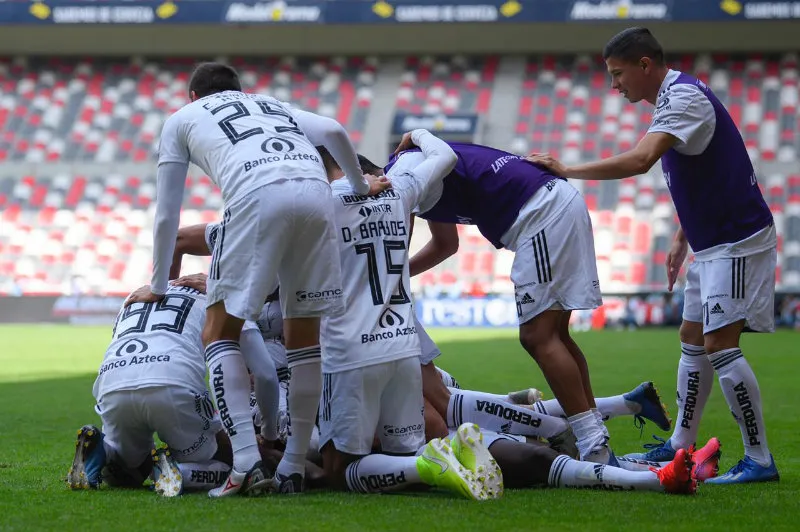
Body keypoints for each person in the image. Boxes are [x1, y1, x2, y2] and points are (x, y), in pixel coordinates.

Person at [125, 62, 390, 496]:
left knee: (219, 332)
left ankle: (246, 462)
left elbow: (167, 214)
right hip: (315, 195)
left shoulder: (182, 118)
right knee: (304, 339)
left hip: (255, 195)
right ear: (239, 89)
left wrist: (158, 286)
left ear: (193, 96)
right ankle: (292, 466)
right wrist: (359, 186)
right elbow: (333, 130)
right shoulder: (268, 103)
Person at [529, 27, 778, 484]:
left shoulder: (682, 98)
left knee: (720, 345)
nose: (614, 85)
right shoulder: (671, 97)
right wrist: (684, 233)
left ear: (645, 64)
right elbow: (710, 170)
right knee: (691, 336)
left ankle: (759, 460)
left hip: (736, 239)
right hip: (711, 241)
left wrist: (567, 169)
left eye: (618, 73)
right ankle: (681, 443)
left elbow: (640, 159)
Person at [387, 139, 613, 465]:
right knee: (555, 336)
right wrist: (400, 276)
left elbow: (393, 247)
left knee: (538, 337)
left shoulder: (399, 173)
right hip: (553, 203)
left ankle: (592, 444)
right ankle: (594, 439)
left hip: (540, 212)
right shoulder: (425, 175)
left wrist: (388, 280)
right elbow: (445, 245)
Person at [315, 129, 499, 500]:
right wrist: (417, 134)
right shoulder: (397, 189)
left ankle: (432, 462)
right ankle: (443, 454)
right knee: (402, 449)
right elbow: (445, 156)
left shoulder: (319, 203)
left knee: (337, 468)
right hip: (402, 346)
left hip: (350, 350)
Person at [68, 283, 234, 497]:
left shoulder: (136, 295)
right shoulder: (212, 296)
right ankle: (179, 472)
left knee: (127, 473)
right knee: (224, 459)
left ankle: (103, 452)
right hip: (171, 381)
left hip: (113, 382)